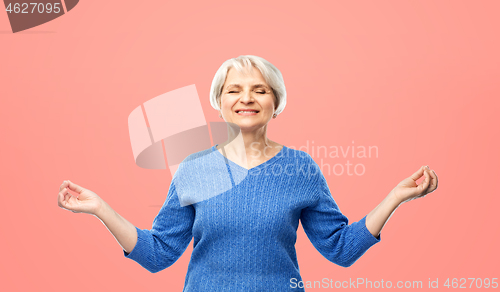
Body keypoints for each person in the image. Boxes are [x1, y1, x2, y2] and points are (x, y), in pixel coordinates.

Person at [57, 55, 438, 291]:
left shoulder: (300, 169)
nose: (246, 99)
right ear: (219, 103)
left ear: (277, 102)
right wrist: (100, 209)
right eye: (233, 90)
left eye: (259, 90)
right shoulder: (197, 169)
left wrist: (395, 197)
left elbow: (340, 249)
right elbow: (157, 254)